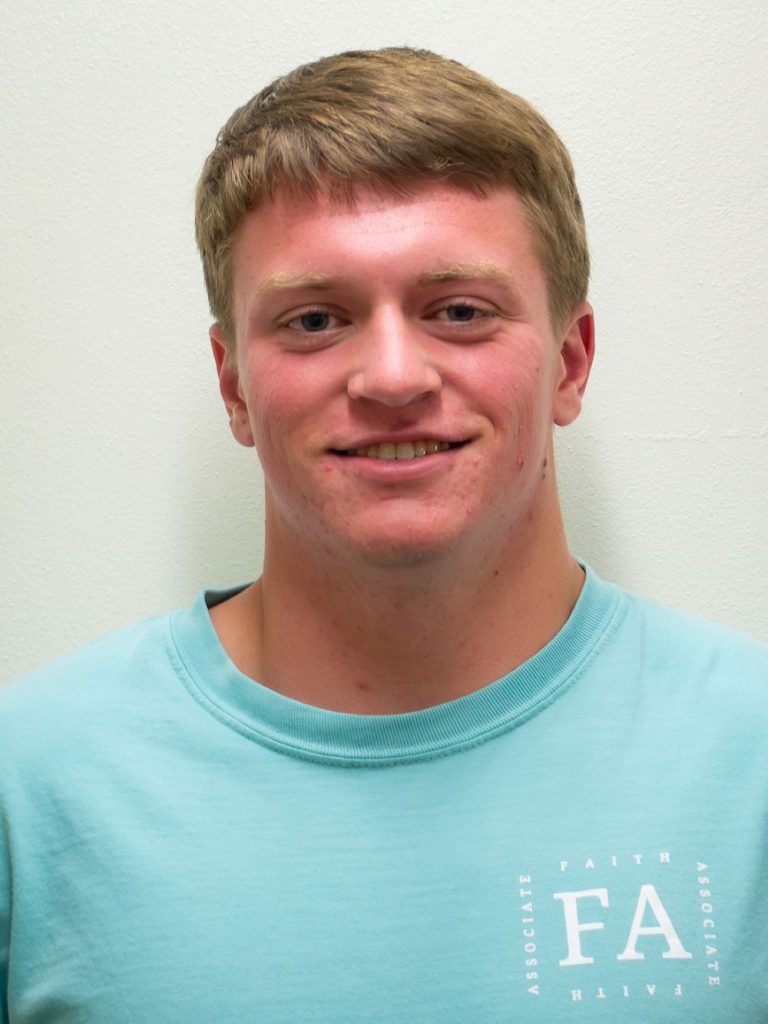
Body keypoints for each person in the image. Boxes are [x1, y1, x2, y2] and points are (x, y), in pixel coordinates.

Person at [1, 47, 766, 1024]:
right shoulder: (32, 789)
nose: (393, 376)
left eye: (459, 311)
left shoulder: (752, 758)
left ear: (571, 362)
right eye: (317, 319)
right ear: (234, 385)